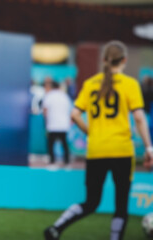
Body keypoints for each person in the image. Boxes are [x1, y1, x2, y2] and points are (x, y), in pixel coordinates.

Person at [44, 41, 153, 240]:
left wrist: (91, 133)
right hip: (121, 150)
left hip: (96, 150)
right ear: (124, 61)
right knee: (121, 205)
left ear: (104, 60)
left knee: (91, 202)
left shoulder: (91, 83)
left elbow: (75, 114)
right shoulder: (130, 84)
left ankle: (56, 228)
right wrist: (149, 147)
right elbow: (138, 118)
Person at [43, 81, 71, 165]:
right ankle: (66, 161)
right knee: (64, 143)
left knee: (51, 143)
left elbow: (45, 110)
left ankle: (52, 161)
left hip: (52, 124)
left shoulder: (49, 96)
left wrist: (46, 121)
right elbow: (69, 109)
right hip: (64, 124)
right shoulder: (65, 96)